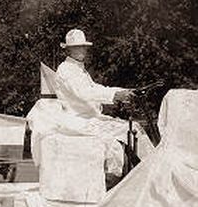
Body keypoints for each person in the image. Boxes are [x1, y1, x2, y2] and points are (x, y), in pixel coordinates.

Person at [52, 28, 151, 175]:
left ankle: (149, 167)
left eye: (83, 46)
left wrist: (124, 91)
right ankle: (126, 176)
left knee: (133, 128)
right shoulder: (66, 70)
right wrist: (116, 95)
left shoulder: (78, 69)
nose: (81, 50)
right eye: (76, 47)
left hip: (90, 117)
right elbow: (85, 93)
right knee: (118, 138)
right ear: (68, 50)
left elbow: (96, 88)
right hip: (78, 120)